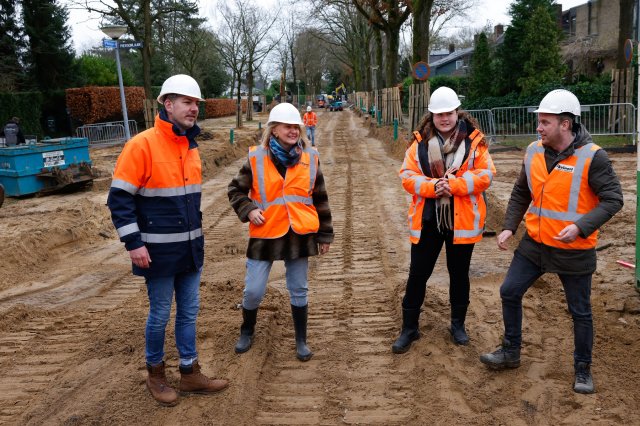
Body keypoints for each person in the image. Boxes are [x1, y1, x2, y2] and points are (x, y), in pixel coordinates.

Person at [479, 89, 623, 394]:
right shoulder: (533, 151)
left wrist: (580, 227)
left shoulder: (593, 157)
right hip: (535, 243)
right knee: (509, 291)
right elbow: (521, 192)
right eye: (539, 122)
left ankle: (583, 370)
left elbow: (613, 199)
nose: (538, 128)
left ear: (566, 124)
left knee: (580, 311)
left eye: (545, 122)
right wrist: (508, 227)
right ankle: (510, 352)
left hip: (573, 249)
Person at [107, 74, 228, 406]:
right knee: (160, 313)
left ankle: (189, 373)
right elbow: (119, 199)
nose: (193, 109)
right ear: (167, 103)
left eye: (196, 104)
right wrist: (133, 243)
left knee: (189, 312)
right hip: (157, 252)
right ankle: (156, 374)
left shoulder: (190, 145)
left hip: (190, 248)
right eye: (187, 102)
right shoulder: (141, 145)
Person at [392, 86, 495, 354]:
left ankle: (457, 325)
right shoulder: (419, 143)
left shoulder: (475, 142)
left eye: (448, 113)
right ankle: (409, 329)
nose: (444, 118)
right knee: (418, 274)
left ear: (456, 112)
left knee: (459, 274)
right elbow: (407, 175)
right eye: (439, 114)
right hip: (428, 220)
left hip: (461, 221)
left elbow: (486, 175)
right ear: (432, 116)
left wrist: (455, 185)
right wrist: (432, 186)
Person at [228, 102, 334, 362]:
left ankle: (301, 340)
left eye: (296, 127)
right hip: (266, 232)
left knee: (298, 288)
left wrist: (325, 234)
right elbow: (235, 190)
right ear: (273, 130)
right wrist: (249, 209)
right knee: (253, 290)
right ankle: (247, 329)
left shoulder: (310, 158)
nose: (294, 131)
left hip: (299, 233)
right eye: (288, 127)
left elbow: (320, 197)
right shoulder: (255, 158)